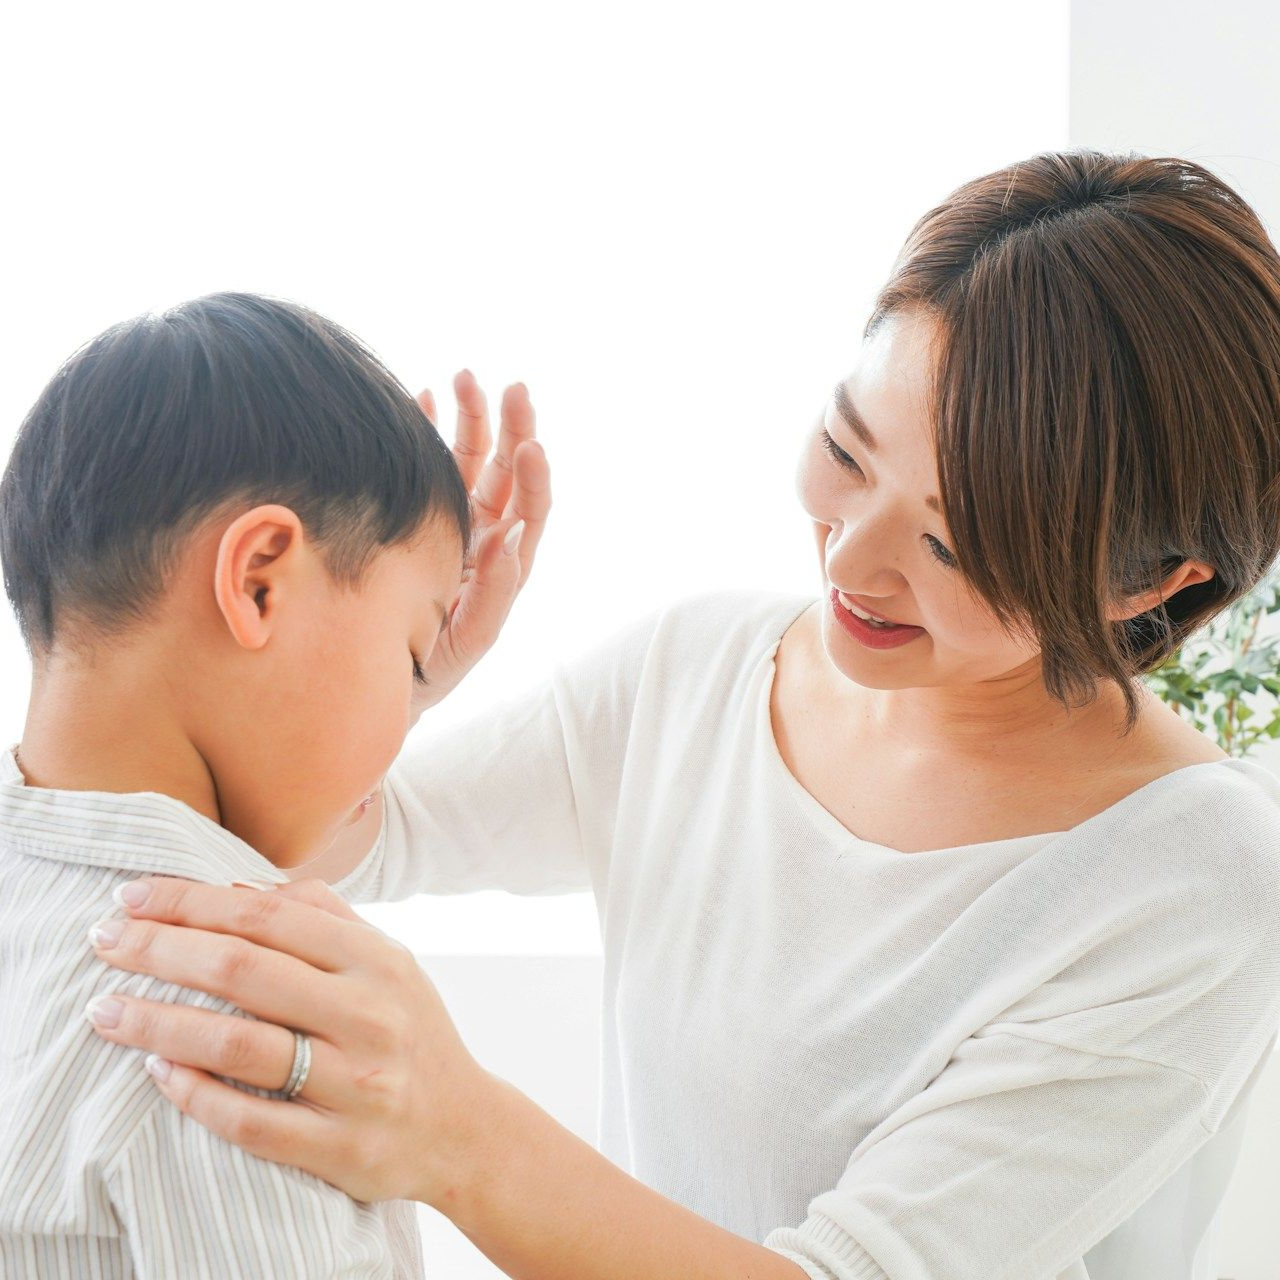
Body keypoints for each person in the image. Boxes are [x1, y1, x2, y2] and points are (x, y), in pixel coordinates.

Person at [83, 150, 1280, 1280]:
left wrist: (453, 1131)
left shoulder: (1186, 876)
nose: (851, 561)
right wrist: (386, 675)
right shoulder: (701, 668)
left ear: (1153, 583)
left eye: (950, 541)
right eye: (844, 452)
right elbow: (339, 841)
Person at [0, 291, 545, 1277]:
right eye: (412, 651)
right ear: (258, 577)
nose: (404, 711)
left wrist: (396, 663)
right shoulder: (249, 1012)